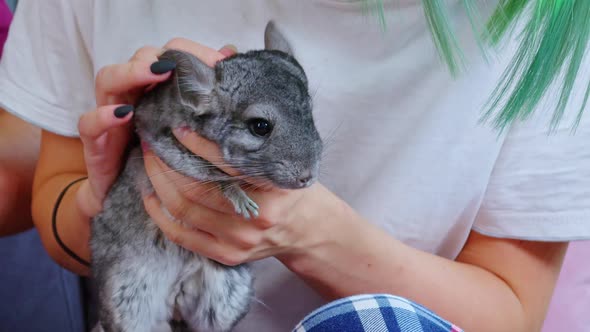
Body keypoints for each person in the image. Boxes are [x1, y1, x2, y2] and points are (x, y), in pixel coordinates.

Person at [0, 1, 588, 331]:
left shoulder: (545, 28)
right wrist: (112, 206)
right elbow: (55, 206)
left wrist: (315, 238)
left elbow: (512, 311)